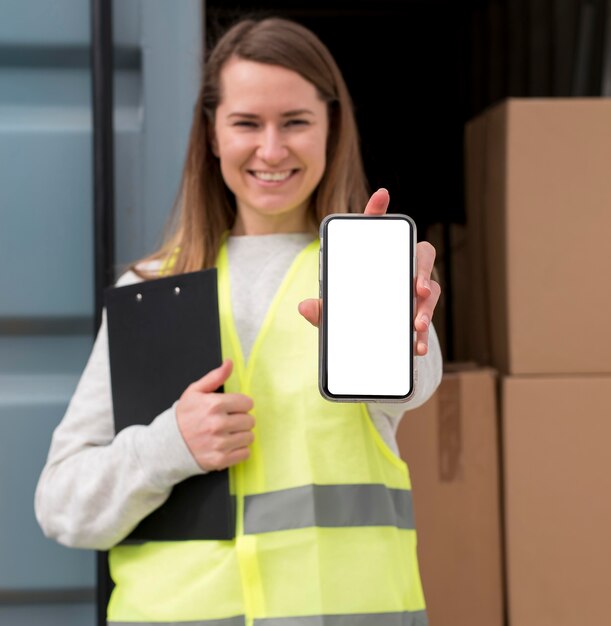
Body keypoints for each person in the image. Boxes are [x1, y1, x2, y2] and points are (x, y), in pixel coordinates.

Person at [35, 15, 442, 626]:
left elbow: (415, 383)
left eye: (296, 122)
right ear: (213, 134)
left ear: (333, 128)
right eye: (247, 123)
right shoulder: (152, 289)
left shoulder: (370, 277)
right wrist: (167, 447)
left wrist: (404, 337)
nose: (271, 149)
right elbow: (62, 506)